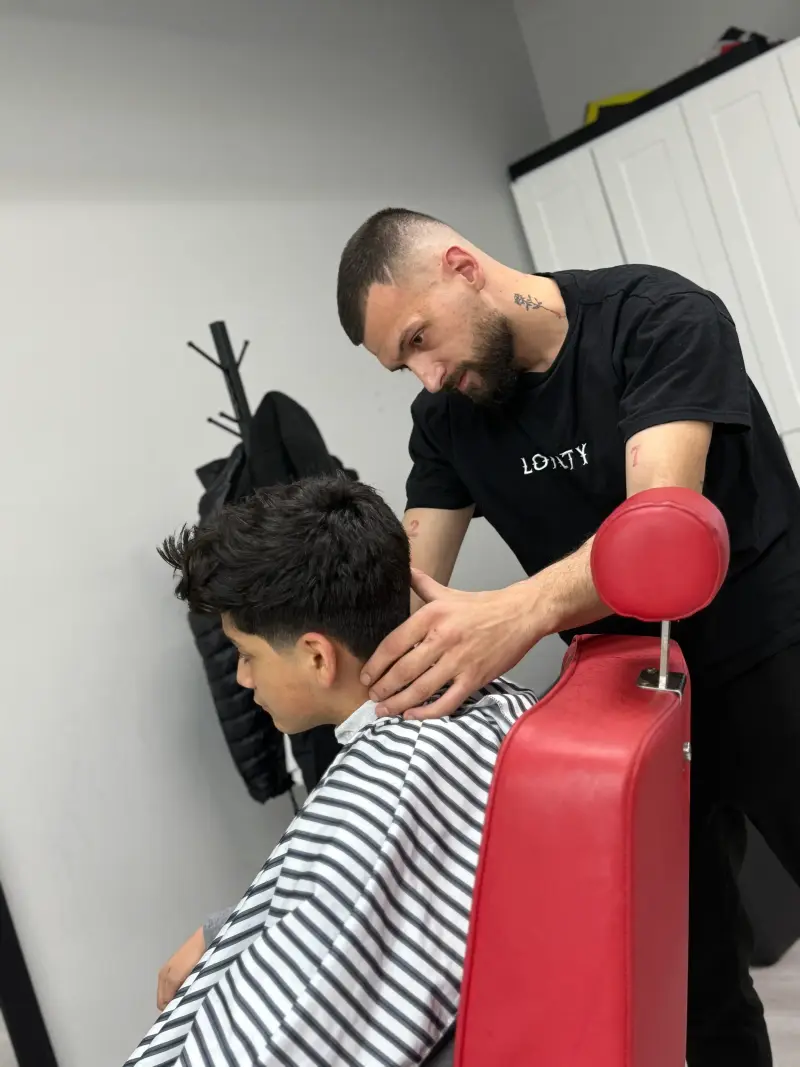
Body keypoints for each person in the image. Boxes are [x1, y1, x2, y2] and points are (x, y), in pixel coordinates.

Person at [336, 207, 800, 1067]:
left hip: (768, 651)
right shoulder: (446, 420)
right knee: (690, 986)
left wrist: (512, 614)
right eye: (406, 365)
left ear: (462, 266)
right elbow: (404, 585)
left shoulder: (657, 318)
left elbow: (660, 541)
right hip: (635, 705)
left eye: (421, 339)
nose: (429, 377)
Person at [125, 475, 536, 1067]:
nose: (242, 679)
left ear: (318, 656)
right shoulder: (491, 702)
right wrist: (226, 933)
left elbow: (278, 1039)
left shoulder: (379, 804)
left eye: (247, 655)